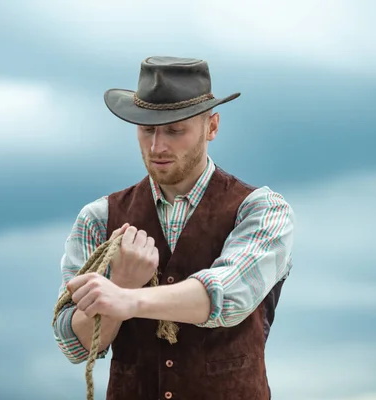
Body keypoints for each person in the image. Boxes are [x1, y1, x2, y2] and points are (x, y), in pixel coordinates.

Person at [52, 56, 295, 400]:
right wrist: (121, 282)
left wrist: (126, 298)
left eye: (175, 130)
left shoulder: (261, 211)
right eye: (147, 129)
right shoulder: (98, 218)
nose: (157, 146)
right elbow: (74, 345)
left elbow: (225, 296)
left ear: (212, 127)